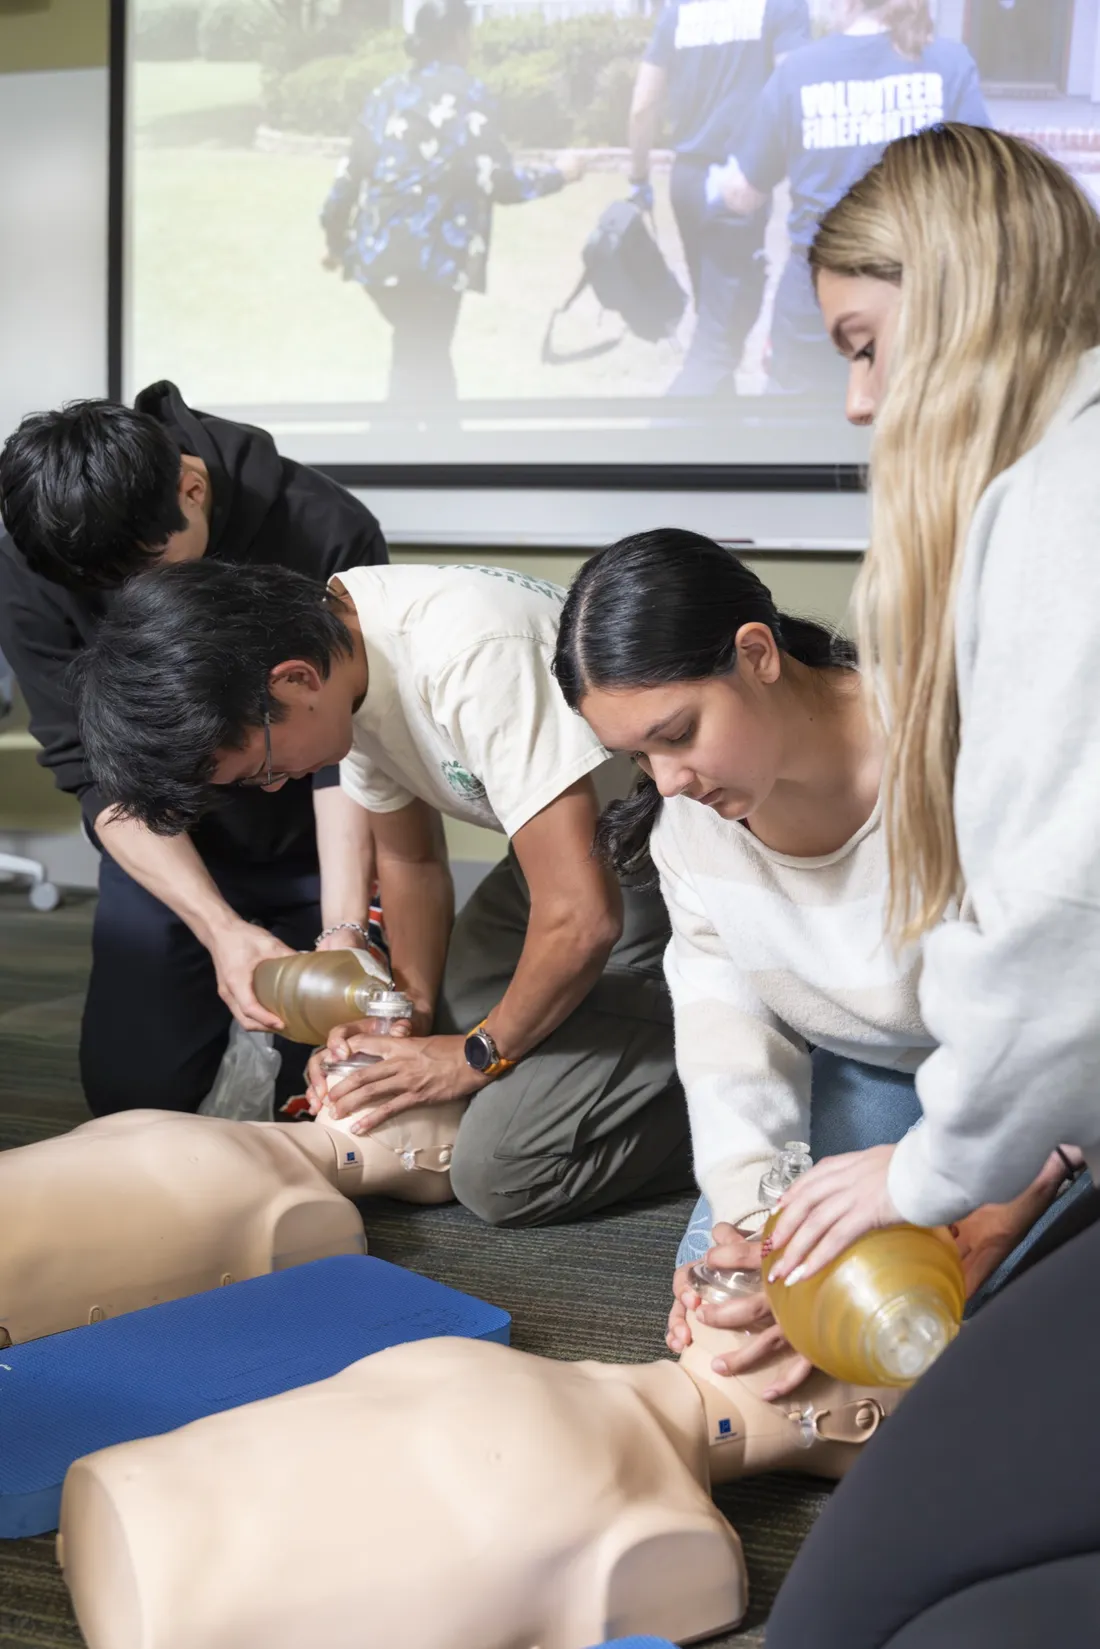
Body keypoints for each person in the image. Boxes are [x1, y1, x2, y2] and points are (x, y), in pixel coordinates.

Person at [752, 124, 1100, 1644]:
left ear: (957, 299)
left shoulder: (1067, 497)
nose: (858, 400)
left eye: (866, 344)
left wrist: (936, 1167)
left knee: (843, 1618)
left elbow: (1065, 920)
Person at [552, 527, 1085, 1398]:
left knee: (954, 1351)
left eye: (678, 733)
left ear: (756, 653)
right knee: (731, 1335)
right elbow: (726, 1043)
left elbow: (1067, 1005)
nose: (668, 779)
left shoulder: (959, 756)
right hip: (877, 1074)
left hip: (1043, 1083)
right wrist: (754, 1223)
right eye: (638, 756)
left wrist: (1005, 1192)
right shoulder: (689, 828)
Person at [72, 559, 691, 1228]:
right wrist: (409, 1012)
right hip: (572, 851)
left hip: (677, 850)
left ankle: (753, 1076)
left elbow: (581, 916)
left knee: (500, 1171)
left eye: (267, 768)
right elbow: (410, 857)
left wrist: (475, 1057)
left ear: (294, 681)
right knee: (444, 1038)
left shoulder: (470, 658)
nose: (278, 787)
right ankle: (607, 1040)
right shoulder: (344, 651)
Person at [0, 386, 388, 1117]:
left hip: (323, 841)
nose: (131, 601)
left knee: (345, 1092)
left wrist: (343, 932)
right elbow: (92, 774)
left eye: (147, 571)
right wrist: (218, 926)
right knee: (134, 1099)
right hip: (165, 838)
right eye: (102, 591)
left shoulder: (325, 527)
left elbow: (356, 747)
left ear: (193, 489)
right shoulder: (35, 559)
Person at [714, 0, 987, 392]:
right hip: (916, 292)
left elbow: (743, 191)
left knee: (799, 433)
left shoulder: (800, 71)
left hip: (818, 300)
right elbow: (983, 180)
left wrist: (719, 186)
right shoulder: (949, 64)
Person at [321, 0, 584, 404]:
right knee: (421, 360)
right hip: (435, 266)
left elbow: (348, 177)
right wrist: (561, 173)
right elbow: (500, 182)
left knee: (419, 358)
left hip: (379, 260)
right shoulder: (469, 94)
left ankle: (433, 450)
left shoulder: (386, 93)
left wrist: (336, 241)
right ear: (460, 37)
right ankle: (418, 451)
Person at [628, 0, 809, 397]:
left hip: (687, 181)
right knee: (718, 339)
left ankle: (719, 436)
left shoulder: (679, 11)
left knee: (713, 321)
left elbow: (643, 107)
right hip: (738, 182)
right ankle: (659, 446)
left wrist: (639, 177)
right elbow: (795, 87)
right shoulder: (780, 7)